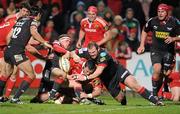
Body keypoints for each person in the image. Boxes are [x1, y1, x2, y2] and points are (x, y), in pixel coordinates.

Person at [70, 42, 164, 106]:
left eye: (94, 52)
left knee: (134, 86)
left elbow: (99, 71)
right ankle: (122, 93)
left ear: (98, 49)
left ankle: (156, 101)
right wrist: (74, 56)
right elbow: (72, 52)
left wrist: (85, 77)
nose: (92, 55)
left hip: (118, 71)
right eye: (90, 53)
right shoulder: (86, 51)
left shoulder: (103, 55)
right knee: (121, 100)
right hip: (108, 80)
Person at [0, 6, 52, 104]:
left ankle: (1, 98)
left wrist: (13, 46)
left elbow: (9, 37)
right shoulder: (34, 22)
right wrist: (44, 42)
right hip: (17, 52)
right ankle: (15, 98)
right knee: (31, 75)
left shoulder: (20, 20)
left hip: (8, 50)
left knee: (5, 74)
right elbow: (33, 32)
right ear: (39, 15)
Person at [137, 3, 180, 98]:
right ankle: (155, 95)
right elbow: (144, 30)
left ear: (167, 12)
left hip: (169, 52)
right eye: (159, 11)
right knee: (157, 70)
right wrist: (141, 45)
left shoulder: (174, 22)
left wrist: (173, 39)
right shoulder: (153, 21)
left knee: (166, 73)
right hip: (156, 50)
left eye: (163, 12)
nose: (160, 14)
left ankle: (164, 91)